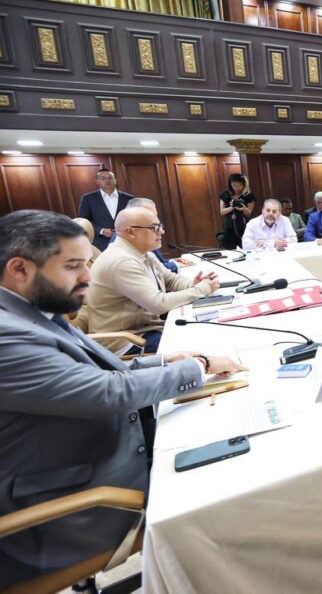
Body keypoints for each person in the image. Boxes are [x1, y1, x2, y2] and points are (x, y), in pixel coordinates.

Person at [0, 211, 246, 589]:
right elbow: (106, 392)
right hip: (73, 507)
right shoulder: (8, 337)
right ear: (19, 269)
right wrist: (198, 365)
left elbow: (97, 374)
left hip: (95, 456)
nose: (88, 276)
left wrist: (165, 360)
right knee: (231, 494)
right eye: (73, 266)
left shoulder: (32, 308)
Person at [87, 207, 219, 354]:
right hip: (127, 341)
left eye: (160, 226)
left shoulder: (141, 251)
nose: (161, 232)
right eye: (154, 228)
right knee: (202, 344)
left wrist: (193, 285)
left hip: (145, 328)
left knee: (208, 328)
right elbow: (158, 304)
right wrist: (202, 289)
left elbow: (169, 278)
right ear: (131, 231)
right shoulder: (121, 261)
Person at [123, 197, 192, 273]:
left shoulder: (147, 233)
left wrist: (172, 260)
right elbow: (153, 271)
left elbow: (158, 262)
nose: (162, 231)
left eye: (155, 215)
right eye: (150, 215)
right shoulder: (125, 253)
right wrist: (175, 264)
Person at [77, 168, 134, 252]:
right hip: (101, 243)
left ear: (115, 180)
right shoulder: (88, 198)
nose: (107, 180)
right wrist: (101, 231)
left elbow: (134, 218)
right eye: (103, 178)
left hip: (126, 240)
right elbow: (84, 221)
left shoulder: (128, 198)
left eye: (110, 178)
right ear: (97, 181)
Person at [218, 173, 255, 250]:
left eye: (240, 185)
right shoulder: (225, 194)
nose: (237, 188)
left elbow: (249, 214)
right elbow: (222, 212)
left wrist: (244, 209)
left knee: (246, 249)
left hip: (243, 226)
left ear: (244, 184)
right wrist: (232, 207)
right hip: (229, 227)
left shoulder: (248, 196)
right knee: (230, 251)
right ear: (230, 184)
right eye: (234, 185)